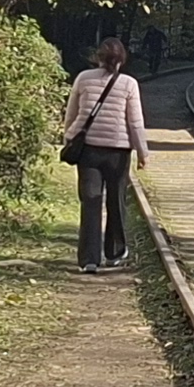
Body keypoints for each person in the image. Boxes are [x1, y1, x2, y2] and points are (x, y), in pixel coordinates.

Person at [65, 36, 148, 272]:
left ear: (98, 58)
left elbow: (71, 114)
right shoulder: (129, 84)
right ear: (122, 60)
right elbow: (135, 122)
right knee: (116, 200)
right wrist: (143, 152)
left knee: (91, 201)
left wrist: (68, 139)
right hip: (118, 152)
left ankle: (89, 259)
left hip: (88, 150)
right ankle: (114, 252)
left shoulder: (83, 78)